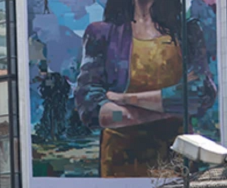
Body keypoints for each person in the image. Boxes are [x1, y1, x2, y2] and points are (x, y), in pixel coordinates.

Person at [74, 0, 216, 177]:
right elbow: (92, 109)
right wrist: (168, 110)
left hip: (177, 161)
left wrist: (127, 99)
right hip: (121, 164)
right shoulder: (102, 34)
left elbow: (202, 93)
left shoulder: (187, 33)